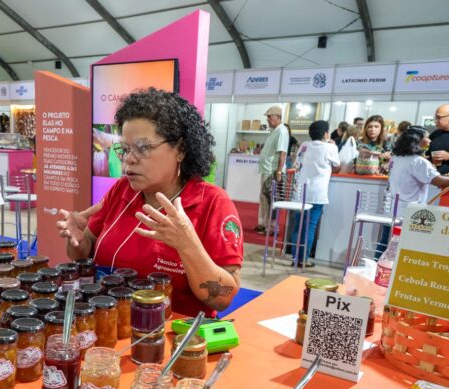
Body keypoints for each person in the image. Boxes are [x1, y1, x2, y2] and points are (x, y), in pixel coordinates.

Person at [56, 88, 243, 318]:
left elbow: (223, 298)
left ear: (181, 150)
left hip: (173, 339)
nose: (129, 159)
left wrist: (188, 246)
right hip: (109, 326)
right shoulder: (121, 191)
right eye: (124, 149)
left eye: (143, 148)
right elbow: (83, 255)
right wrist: (77, 239)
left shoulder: (212, 203)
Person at [374, 127, 449, 256]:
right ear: (417, 140)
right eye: (427, 137)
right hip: (408, 213)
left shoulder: (397, 157)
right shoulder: (418, 161)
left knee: (385, 245)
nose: (429, 140)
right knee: (401, 250)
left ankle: (375, 272)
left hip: (391, 210)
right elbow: (440, 181)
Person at [289, 120, 340, 268]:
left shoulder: (305, 145)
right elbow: (337, 167)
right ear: (326, 133)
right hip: (317, 193)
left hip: (300, 191)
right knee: (310, 227)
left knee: (298, 225)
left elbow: (296, 163)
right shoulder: (330, 148)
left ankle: (295, 257)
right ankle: (303, 259)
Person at [255, 106, 288, 234]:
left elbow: (283, 153)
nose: (268, 119)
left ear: (278, 117)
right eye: (267, 117)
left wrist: (279, 171)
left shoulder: (282, 131)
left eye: (270, 116)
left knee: (271, 200)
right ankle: (264, 224)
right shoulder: (274, 130)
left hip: (272, 171)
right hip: (266, 169)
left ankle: (272, 227)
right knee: (264, 198)